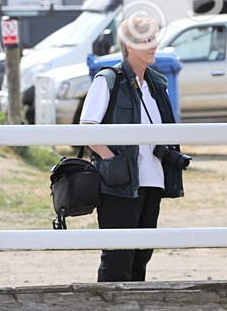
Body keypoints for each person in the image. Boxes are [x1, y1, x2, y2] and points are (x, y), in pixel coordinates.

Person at [80, 16, 188, 282]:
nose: (154, 45)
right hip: (119, 183)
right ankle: (110, 306)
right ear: (129, 45)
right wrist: (113, 161)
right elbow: (87, 129)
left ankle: (134, 306)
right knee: (117, 257)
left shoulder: (157, 84)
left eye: (154, 38)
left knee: (142, 255)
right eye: (146, 40)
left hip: (153, 180)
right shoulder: (108, 79)